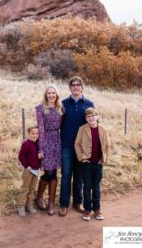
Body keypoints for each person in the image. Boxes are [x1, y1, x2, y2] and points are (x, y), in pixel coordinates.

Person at [59, 76, 94, 216]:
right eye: (73, 85)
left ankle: (77, 203)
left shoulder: (88, 103)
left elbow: (93, 124)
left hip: (82, 147)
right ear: (70, 87)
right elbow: (57, 123)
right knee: (66, 175)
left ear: (82, 87)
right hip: (66, 145)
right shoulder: (63, 104)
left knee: (79, 176)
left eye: (78, 85)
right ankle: (63, 204)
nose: (76, 87)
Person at [75, 107, 110, 221]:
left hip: (98, 163)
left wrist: (104, 159)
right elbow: (77, 144)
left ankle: (97, 209)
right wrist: (81, 157)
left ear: (97, 116)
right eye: (88, 117)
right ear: (86, 118)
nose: (91, 118)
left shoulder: (103, 130)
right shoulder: (82, 129)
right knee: (87, 186)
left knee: (96, 187)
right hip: (86, 163)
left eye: (93, 116)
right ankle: (87, 210)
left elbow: (107, 146)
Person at [35, 84, 63, 216]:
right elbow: (40, 128)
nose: (51, 95)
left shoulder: (61, 108)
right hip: (45, 140)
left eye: (53, 93)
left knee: (54, 173)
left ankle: (51, 202)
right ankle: (39, 197)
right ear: (46, 95)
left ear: (57, 94)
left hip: (57, 140)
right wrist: (41, 148)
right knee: (48, 172)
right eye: (49, 93)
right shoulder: (40, 108)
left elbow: (63, 126)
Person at [18, 125, 41, 217]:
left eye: (37, 133)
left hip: (36, 169)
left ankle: (29, 206)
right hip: (28, 170)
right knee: (25, 189)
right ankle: (21, 207)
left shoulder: (38, 144)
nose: (35, 135)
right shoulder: (26, 143)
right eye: (32, 133)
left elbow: (37, 156)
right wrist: (26, 166)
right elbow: (21, 156)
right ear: (29, 134)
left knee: (32, 189)